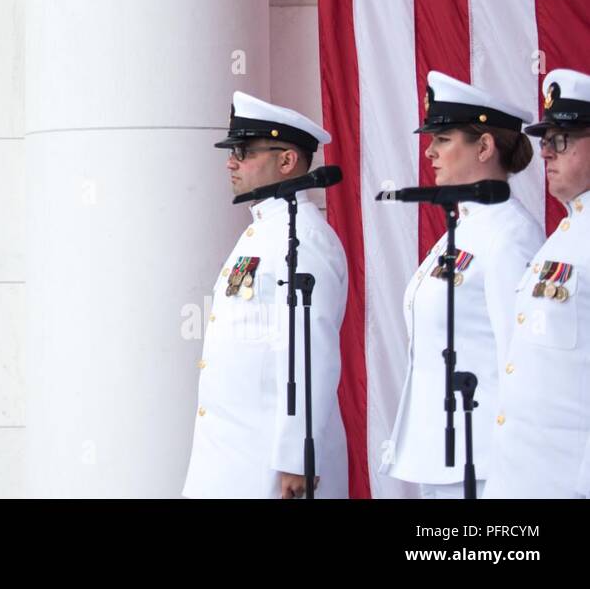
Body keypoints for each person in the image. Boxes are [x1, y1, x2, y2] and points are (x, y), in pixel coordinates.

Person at [380, 72, 543, 498]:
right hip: (443, 457)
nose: (430, 152)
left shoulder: (510, 234)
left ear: (485, 146)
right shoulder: (463, 228)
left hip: (486, 462)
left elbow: (520, 359)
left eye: (444, 139)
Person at [184, 92, 349, 498]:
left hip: (270, 466)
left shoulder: (304, 237)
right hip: (232, 457)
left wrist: (298, 457)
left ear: (287, 160)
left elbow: (312, 351)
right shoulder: (262, 231)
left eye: (243, 150)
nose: (231, 161)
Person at [486, 68, 590, 498]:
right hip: (526, 475)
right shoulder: (565, 236)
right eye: (545, 141)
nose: (546, 153)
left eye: (560, 140)